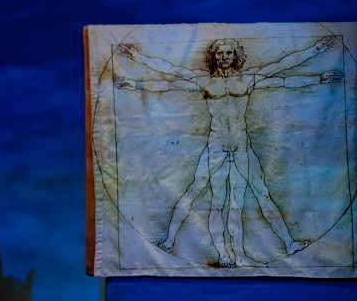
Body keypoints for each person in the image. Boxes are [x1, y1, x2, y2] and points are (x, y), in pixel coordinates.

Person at [115, 36, 341, 267]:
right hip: (216, 147)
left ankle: (288, 243)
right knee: (204, 195)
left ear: (235, 55)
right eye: (220, 53)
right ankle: (176, 242)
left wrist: (317, 63)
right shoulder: (204, 81)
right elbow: (170, 78)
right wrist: (136, 73)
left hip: (242, 146)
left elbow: (282, 74)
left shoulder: (248, 79)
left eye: (228, 53)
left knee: (260, 195)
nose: (224, 57)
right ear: (213, 56)